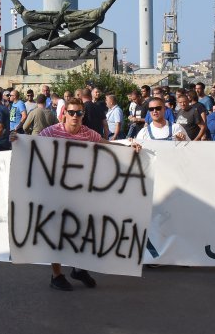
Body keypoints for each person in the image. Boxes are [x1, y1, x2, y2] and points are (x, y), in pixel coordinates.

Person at [33, 97, 142, 291]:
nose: (75, 116)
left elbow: (105, 143)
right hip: (56, 191)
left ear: (83, 115)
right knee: (57, 234)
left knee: (82, 231)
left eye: (79, 113)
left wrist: (128, 148)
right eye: (72, 112)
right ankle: (56, 275)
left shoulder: (87, 133)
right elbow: (32, 144)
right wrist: (17, 140)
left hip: (81, 192)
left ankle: (79, 269)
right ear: (65, 113)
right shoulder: (52, 132)